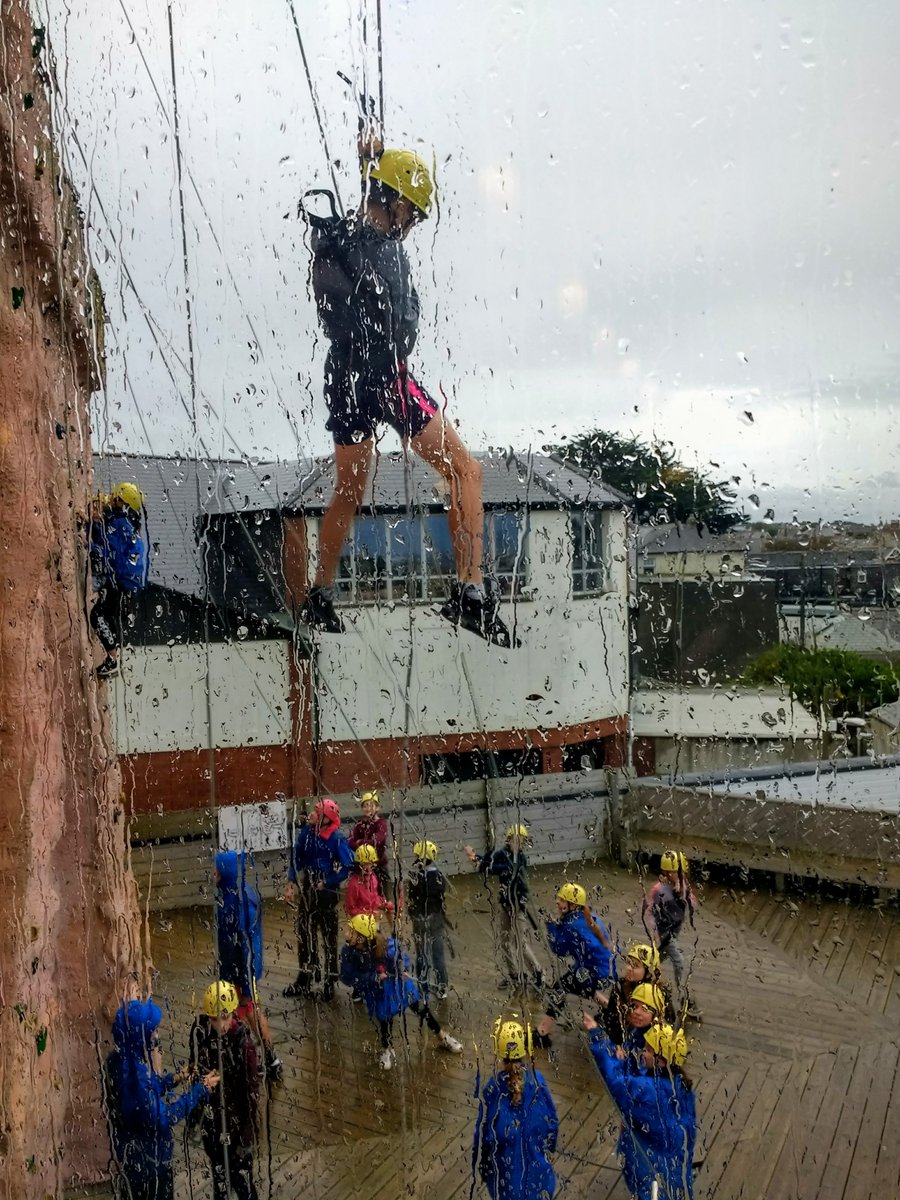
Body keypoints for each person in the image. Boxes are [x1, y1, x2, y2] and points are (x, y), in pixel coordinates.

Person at [302, 124, 512, 648]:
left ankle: (319, 593)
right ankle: (471, 591)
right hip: (385, 377)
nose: (413, 224)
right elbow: (398, 324)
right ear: (393, 204)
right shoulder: (382, 249)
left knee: (348, 490)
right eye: (412, 213)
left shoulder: (345, 239)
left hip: (344, 375)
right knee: (465, 469)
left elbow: (357, 239)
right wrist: (371, 166)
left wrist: (370, 165)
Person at [104, 998, 218, 1200]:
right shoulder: (134, 1076)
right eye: (153, 1031)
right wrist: (201, 1089)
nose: (157, 1035)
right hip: (149, 1165)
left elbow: (146, 1095)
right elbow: (164, 1118)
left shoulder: (121, 1059)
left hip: (130, 1157)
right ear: (141, 1036)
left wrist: (174, 1078)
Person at [583, 1014, 696, 1200]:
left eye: (648, 1050)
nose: (643, 1052)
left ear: (662, 1060)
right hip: (674, 1164)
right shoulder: (682, 1087)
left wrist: (596, 1035)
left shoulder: (648, 1091)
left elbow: (615, 1080)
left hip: (649, 1169)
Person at [339, 913, 463, 1070]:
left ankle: (442, 1036)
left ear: (361, 938)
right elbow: (347, 976)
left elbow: (399, 955)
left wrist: (401, 968)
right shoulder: (348, 952)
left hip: (399, 984)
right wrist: (374, 977)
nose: (346, 933)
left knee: (420, 1008)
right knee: (384, 1018)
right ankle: (387, 1049)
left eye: (351, 931)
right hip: (378, 990)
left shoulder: (384, 945)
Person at [472, 1017, 558, 1200]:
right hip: (539, 1177)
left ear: (500, 1055)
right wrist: (549, 1149)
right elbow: (552, 1123)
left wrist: (485, 1167)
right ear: (525, 1050)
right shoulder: (538, 1082)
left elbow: (486, 1136)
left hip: (507, 1180)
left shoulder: (493, 1089)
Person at [188, 983, 260, 1200]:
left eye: (224, 1017)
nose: (219, 1024)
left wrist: (248, 1136)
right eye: (213, 1018)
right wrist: (194, 1117)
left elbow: (252, 1093)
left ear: (233, 1013)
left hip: (236, 1124)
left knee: (242, 1181)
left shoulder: (243, 1044)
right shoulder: (201, 1034)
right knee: (219, 1177)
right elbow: (195, 1071)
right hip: (212, 1121)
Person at [214, 850, 282, 1080]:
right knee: (239, 1012)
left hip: (241, 970)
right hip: (234, 968)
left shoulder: (238, 903)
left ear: (224, 871)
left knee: (247, 1011)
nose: (213, 872)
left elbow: (246, 947)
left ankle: (268, 1058)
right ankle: (253, 1057)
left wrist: (245, 982)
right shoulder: (234, 894)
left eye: (216, 868)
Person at [282, 798, 354, 1000]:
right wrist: (290, 883)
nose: (312, 814)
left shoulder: (336, 838)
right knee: (304, 932)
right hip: (308, 888)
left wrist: (330, 880)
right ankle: (304, 977)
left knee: (328, 936)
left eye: (317, 812)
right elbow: (296, 859)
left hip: (327, 892)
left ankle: (330, 980)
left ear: (325, 819)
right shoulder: (307, 832)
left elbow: (349, 866)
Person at [534, 883, 613, 1049]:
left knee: (559, 988)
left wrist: (550, 926)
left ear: (573, 905)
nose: (557, 902)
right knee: (577, 985)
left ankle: (543, 1031)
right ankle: (612, 1008)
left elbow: (558, 949)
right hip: (601, 970)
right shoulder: (587, 916)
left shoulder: (572, 925)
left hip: (593, 972)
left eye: (563, 899)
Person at [465, 824, 543, 991]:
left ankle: (538, 973)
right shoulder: (502, 854)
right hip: (506, 904)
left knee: (520, 942)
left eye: (522, 841)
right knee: (505, 941)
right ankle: (514, 974)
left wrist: (481, 862)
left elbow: (504, 869)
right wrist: (479, 857)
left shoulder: (520, 858)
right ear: (509, 840)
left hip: (518, 905)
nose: (519, 843)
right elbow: (488, 866)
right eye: (516, 840)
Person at [89, 482, 148, 679]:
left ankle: (112, 658)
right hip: (122, 581)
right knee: (108, 615)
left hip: (116, 580)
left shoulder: (120, 524)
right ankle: (113, 658)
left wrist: (93, 524)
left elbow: (106, 545)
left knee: (98, 615)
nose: (112, 498)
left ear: (123, 502)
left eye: (117, 497)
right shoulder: (126, 524)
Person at [642, 851, 698, 1014]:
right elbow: (648, 910)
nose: (679, 876)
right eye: (676, 873)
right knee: (679, 961)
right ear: (666, 873)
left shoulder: (683, 886)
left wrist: (683, 893)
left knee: (657, 958)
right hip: (663, 931)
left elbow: (693, 905)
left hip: (675, 930)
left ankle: (644, 978)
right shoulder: (659, 890)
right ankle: (684, 997)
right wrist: (654, 931)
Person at [595, 943, 669, 1046]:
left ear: (648, 972)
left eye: (635, 966)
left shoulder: (656, 994)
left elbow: (666, 1021)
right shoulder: (620, 986)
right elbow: (611, 1013)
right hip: (620, 1029)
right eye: (628, 963)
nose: (629, 968)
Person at [407, 839, 450, 999]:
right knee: (437, 953)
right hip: (436, 918)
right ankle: (442, 986)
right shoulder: (439, 876)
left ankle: (422, 984)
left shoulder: (416, 877)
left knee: (421, 953)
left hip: (420, 918)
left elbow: (412, 896)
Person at [347, 790, 391, 893]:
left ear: (377, 808)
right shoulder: (359, 824)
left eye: (371, 805)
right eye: (365, 806)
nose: (368, 808)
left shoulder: (381, 823)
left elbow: (379, 840)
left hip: (378, 864)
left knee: (382, 894)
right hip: (362, 865)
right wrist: (364, 842)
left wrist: (360, 842)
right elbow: (350, 841)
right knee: (362, 892)